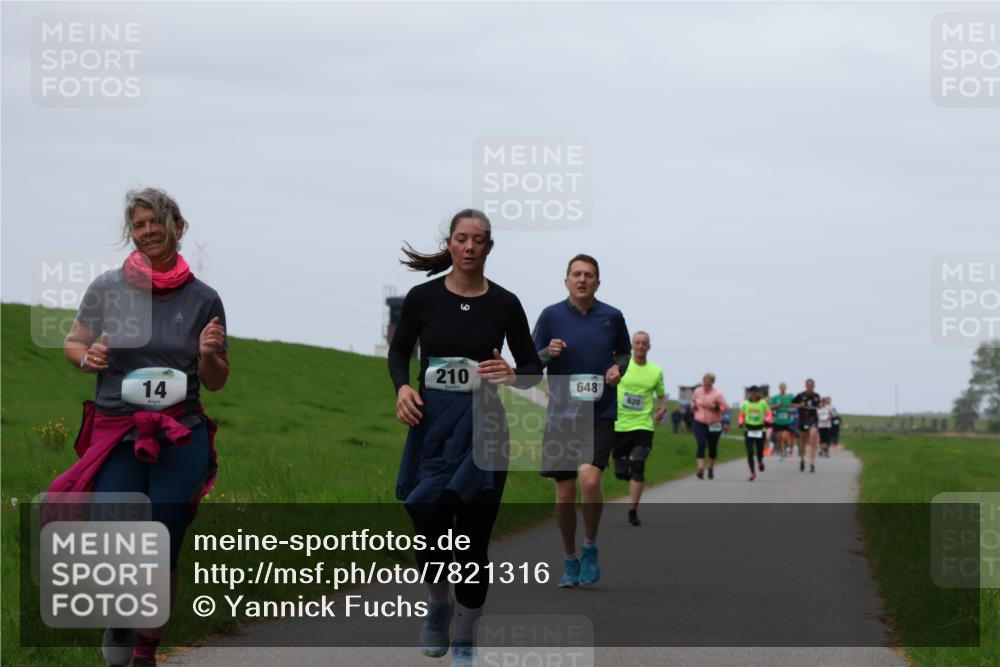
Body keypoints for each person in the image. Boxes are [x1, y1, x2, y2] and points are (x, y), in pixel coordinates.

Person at [51, 188, 228, 667]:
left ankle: (146, 650)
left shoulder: (204, 299)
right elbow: (74, 342)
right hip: (119, 430)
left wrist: (210, 354)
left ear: (178, 226)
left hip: (179, 431)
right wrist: (87, 357)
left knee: (164, 535)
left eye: (156, 222)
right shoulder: (108, 288)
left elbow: (215, 381)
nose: (148, 231)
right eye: (139, 224)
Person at [389, 209, 542, 666]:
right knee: (428, 529)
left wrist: (512, 374)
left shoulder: (506, 303)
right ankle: (438, 606)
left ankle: (467, 635)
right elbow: (399, 354)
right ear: (451, 244)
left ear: (489, 247)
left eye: (479, 240)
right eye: (462, 238)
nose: (470, 246)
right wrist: (402, 387)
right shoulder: (422, 298)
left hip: (486, 430)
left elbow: (532, 370)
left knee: (473, 542)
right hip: (432, 426)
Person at [533, 254, 630, 588]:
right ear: (566, 281)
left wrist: (619, 368)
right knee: (564, 494)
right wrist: (548, 353)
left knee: (590, 481)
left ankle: (590, 546)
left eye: (589, 275)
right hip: (561, 413)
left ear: (597, 282)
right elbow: (532, 359)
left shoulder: (613, 317)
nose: (582, 279)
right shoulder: (550, 316)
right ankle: (569, 558)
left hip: (599, 411)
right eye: (576, 274)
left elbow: (624, 352)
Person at [613, 331, 666, 527]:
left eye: (644, 343)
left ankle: (632, 510)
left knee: (638, 464)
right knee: (620, 472)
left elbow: (661, 395)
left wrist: (662, 409)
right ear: (632, 345)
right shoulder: (621, 365)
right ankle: (623, 470)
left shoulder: (656, 371)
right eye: (638, 342)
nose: (641, 346)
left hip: (643, 425)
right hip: (619, 425)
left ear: (649, 347)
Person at [691, 373, 729, 479]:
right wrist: (693, 406)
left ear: (713, 382)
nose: (707, 382)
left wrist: (716, 407)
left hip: (714, 423)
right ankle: (701, 469)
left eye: (709, 380)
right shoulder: (697, 391)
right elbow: (693, 402)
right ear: (703, 381)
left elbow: (725, 407)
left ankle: (711, 468)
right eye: (705, 380)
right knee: (701, 444)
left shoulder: (718, 394)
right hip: (699, 421)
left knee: (712, 448)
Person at [739, 386, 772, 481]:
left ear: (758, 393)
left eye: (755, 392)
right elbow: (741, 415)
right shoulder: (745, 404)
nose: (753, 394)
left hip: (760, 429)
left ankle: (760, 461)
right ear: (749, 393)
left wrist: (767, 420)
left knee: (759, 451)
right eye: (751, 392)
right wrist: (741, 422)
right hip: (748, 429)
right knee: (749, 452)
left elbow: (769, 413)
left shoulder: (763, 403)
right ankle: (752, 473)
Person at [792, 379, 822, 473]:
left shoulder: (816, 396)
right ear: (806, 386)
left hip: (813, 419)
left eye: (812, 385)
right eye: (808, 385)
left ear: (814, 386)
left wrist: (819, 406)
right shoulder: (801, 395)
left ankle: (812, 463)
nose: (810, 387)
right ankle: (802, 460)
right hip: (803, 419)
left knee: (813, 438)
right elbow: (792, 404)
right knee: (802, 442)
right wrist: (799, 405)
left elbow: (819, 405)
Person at [769, 383, 795, 460]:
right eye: (781, 387)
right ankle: (782, 454)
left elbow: (794, 406)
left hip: (787, 420)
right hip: (778, 420)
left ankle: (787, 448)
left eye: (784, 387)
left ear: (786, 388)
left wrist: (791, 409)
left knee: (785, 436)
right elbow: (770, 407)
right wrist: (776, 405)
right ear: (779, 388)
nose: (782, 389)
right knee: (779, 438)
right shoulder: (775, 398)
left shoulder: (790, 397)